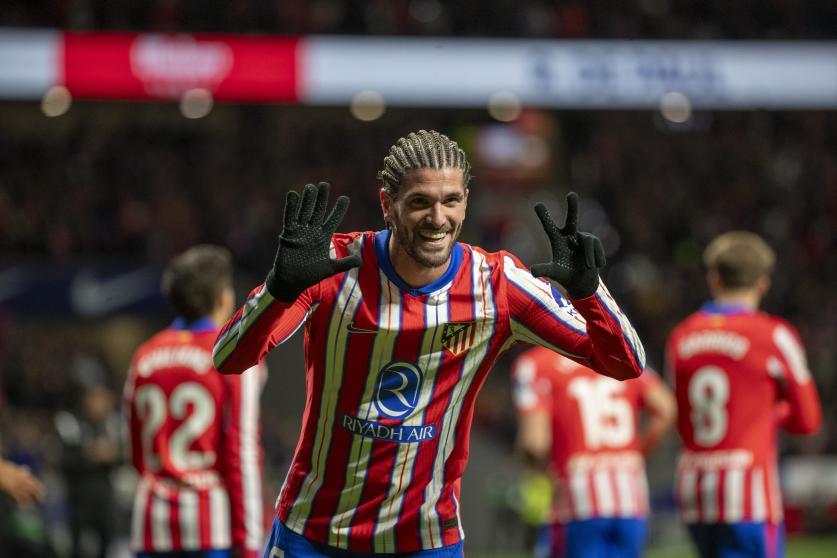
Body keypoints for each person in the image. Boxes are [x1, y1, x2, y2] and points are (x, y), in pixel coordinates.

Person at [213, 130, 645, 557]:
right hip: (313, 536)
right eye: (420, 202)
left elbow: (626, 363)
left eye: (451, 201)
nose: (438, 219)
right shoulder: (332, 266)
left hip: (425, 541)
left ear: (466, 202)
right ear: (388, 204)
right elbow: (229, 358)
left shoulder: (498, 285)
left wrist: (591, 292)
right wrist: (278, 290)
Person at [666, 231, 822, 558]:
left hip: (696, 487)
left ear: (714, 278)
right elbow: (808, 421)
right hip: (748, 491)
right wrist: (770, 412)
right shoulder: (774, 335)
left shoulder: (682, 336)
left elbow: (679, 417)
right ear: (763, 283)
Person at [124, 245, 265, 558]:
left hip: (149, 524)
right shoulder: (234, 358)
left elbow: (135, 449)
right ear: (223, 298)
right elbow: (241, 454)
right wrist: (249, 543)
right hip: (208, 529)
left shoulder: (144, 356)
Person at [512, 349, 675, 558]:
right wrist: (638, 454)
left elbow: (535, 443)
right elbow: (666, 409)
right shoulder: (619, 352)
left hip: (578, 494)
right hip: (630, 490)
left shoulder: (535, 364)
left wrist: (532, 465)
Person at [55, 383, 122, 558]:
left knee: (107, 544)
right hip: (79, 499)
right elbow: (64, 460)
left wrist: (111, 455)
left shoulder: (111, 423)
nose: (100, 404)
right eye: (96, 398)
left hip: (104, 498)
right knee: (79, 547)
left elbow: (123, 455)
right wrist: (89, 455)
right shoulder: (70, 422)